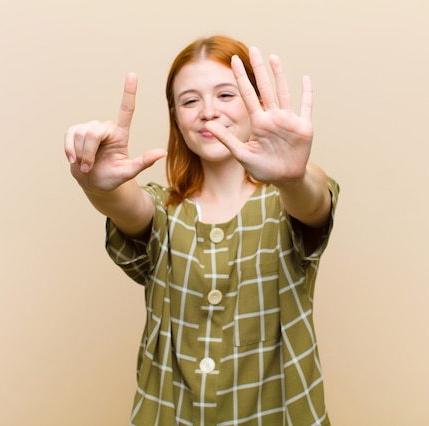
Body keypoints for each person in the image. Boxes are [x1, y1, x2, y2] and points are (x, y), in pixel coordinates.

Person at [64, 35, 339, 426]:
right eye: (190, 101)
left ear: (255, 103)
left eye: (226, 95)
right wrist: (96, 184)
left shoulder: (286, 202)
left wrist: (292, 178)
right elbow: (128, 206)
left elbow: (313, 201)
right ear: (176, 117)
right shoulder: (164, 211)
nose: (208, 112)